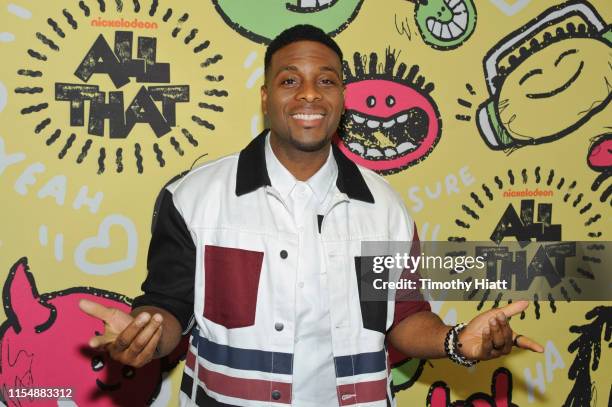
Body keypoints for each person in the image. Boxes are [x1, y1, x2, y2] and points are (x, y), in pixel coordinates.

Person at [79, 24, 543, 406]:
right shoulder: (192, 196)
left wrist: (454, 341)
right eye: (289, 80)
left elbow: (404, 318)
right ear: (265, 97)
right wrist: (146, 334)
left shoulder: (385, 209)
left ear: (342, 96)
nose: (309, 95)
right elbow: (169, 304)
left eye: (326, 80)